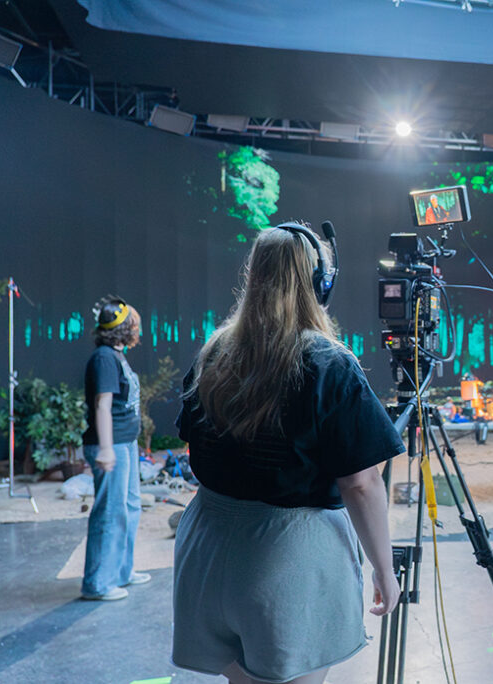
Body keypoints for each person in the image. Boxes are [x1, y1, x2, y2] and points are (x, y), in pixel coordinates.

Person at [172, 223, 404, 684]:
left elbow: (194, 443)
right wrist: (385, 568)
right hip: (284, 563)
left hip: (205, 554)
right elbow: (360, 482)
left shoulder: (214, 351)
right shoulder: (329, 362)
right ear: (321, 284)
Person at [81, 296, 150, 601]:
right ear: (125, 328)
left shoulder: (117, 356)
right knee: (110, 513)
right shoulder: (104, 359)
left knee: (129, 508)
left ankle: (121, 571)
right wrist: (106, 449)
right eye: (135, 323)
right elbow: (102, 405)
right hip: (113, 445)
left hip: (126, 443)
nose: (139, 328)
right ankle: (97, 583)